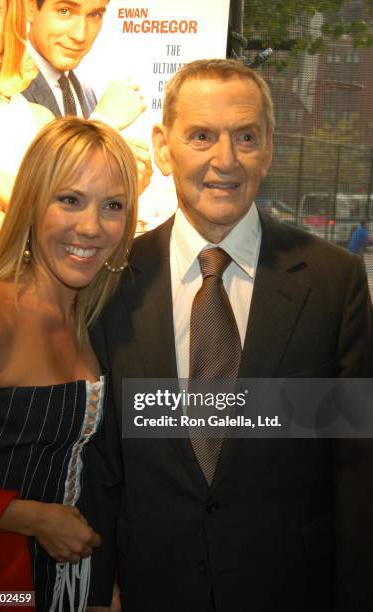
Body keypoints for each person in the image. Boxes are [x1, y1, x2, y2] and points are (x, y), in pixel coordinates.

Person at [89, 59, 373, 612]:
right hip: (154, 591)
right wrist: (99, 591)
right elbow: (101, 465)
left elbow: (358, 469)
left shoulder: (334, 281)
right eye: (201, 136)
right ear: (163, 148)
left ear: (268, 148)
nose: (226, 160)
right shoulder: (113, 278)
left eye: (245, 137)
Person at [0, 117, 138, 611]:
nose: (90, 226)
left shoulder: (91, 320)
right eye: (69, 200)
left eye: (112, 206)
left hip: (72, 590)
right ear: (31, 204)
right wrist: (26, 517)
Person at [0, 0, 54, 287]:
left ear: (11, 18)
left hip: (24, 294)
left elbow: (50, 210)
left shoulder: (37, 118)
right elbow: (43, 218)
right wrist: (30, 230)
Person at [24, 0, 152, 194]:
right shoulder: (1, 87)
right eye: (65, 11)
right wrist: (103, 123)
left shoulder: (86, 94)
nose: (80, 35)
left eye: (94, 15)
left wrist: (120, 184)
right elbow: (30, 196)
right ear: (30, 8)